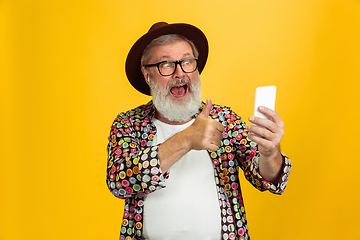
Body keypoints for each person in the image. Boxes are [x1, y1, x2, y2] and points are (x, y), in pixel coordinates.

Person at [106, 22, 292, 240]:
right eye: (166, 64)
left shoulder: (224, 119)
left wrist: (270, 152)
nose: (179, 73)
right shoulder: (128, 124)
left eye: (187, 62)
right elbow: (119, 182)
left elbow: (267, 179)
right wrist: (186, 139)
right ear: (147, 75)